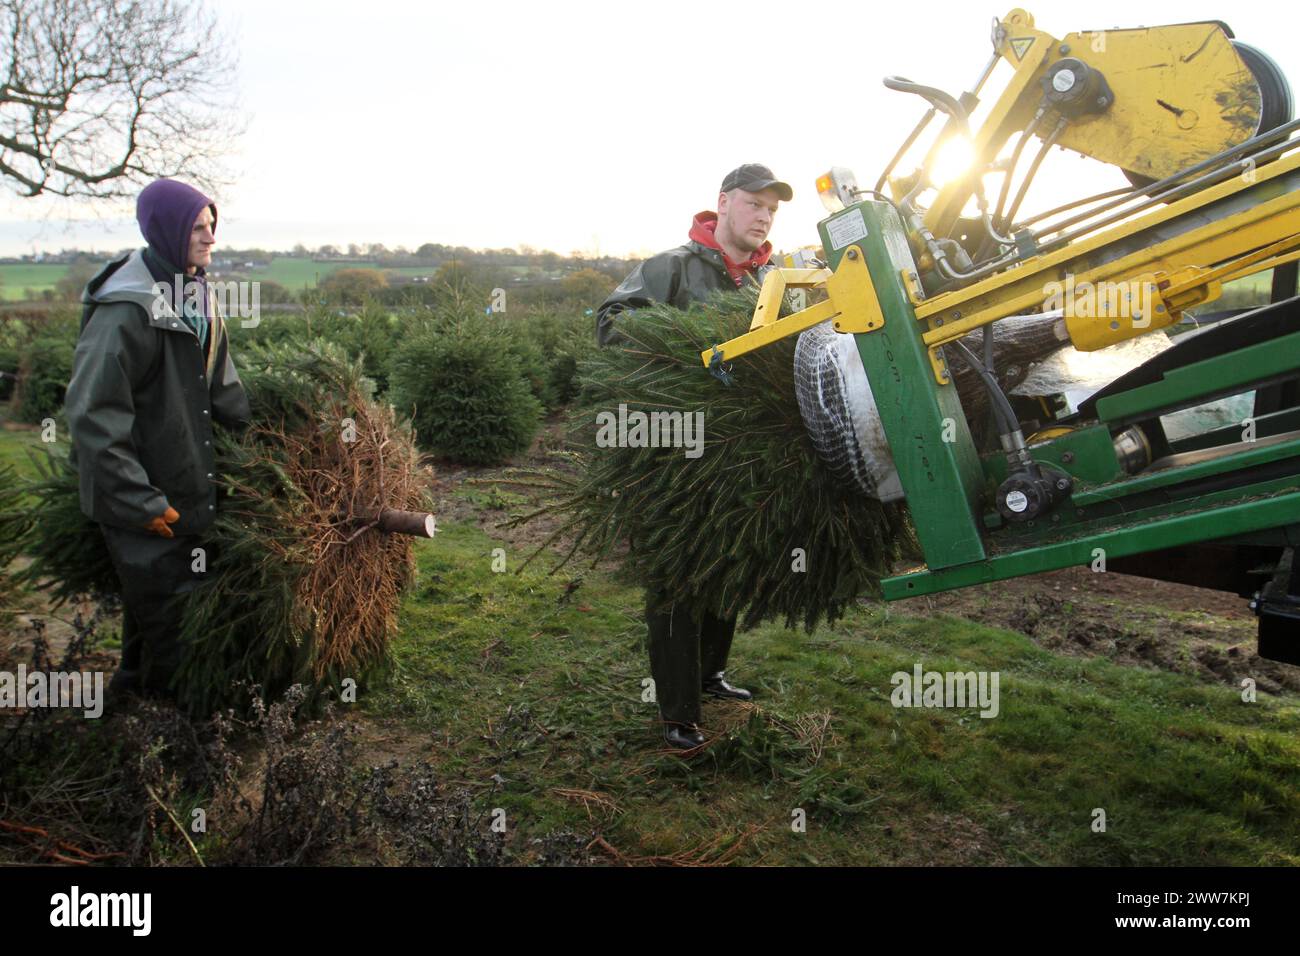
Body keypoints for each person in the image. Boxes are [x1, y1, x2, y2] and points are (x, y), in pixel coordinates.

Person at [595, 163, 793, 749]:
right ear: (724, 203)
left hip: (739, 455)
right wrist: (687, 351)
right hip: (672, 450)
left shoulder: (771, 280)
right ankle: (677, 712)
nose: (763, 216)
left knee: (728, 560)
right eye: (754, 203)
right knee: (678, 574)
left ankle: (710, 675)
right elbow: (611, 324)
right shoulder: (672, 268)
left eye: (772, 210)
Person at [65, 178, 251, 700]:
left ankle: (129, 695)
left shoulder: (197, 295)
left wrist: (259, 458)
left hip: (188, 486)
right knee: (174, 624)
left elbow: (223, 387)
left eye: (213, 226)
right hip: (144, 499)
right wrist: (137, 500)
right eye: (198, 227)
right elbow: (92, 413)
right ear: (167, 229)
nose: (210, 237)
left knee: (155, 611)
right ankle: (185, 738)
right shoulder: (126, 309)